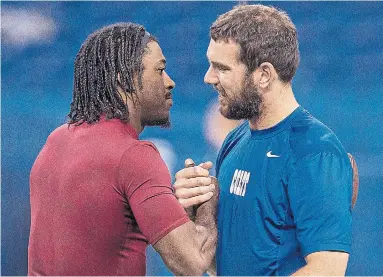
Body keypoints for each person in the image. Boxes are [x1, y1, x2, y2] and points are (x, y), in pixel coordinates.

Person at [173, 4, 357, 276]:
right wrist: (194, 215)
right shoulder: (235, 141)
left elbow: (327, 269)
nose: (208, 77)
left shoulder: (316, 152)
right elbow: (225, 267)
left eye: (221, 68)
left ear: (264, 74)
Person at [28, 22, 218, 276]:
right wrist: (208, 201)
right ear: (125, 79)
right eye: (160, 70)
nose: (170, 82)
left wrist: (178, 209)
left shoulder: (56, 141)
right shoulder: (134, 156)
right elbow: (191, 263)